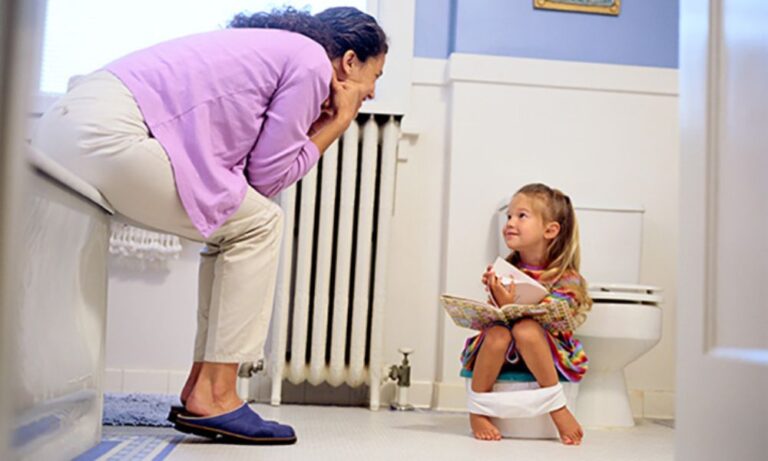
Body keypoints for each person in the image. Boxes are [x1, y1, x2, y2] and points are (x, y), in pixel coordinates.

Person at [31, 6, 387, 444]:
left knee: (236, 226)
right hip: (106, 134)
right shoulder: (311, 61)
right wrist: (339, 121)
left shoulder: (279, 51)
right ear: (350, 62)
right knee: (260, 224)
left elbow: (251, 176)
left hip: (68, 130)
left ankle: (202, 386)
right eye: (377, 75)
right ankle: (216, 393)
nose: (371, 92)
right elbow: (266, 181)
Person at [462, 183, 592, 444]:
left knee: (526, 329)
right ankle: (478, 410)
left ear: (550, 230)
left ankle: (557, 406)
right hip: (505, 350)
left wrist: (519, 306)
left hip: (545, 349)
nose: (510, 222)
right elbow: (497, 319)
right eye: (509, 215)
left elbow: (559, 320)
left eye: (521, 216)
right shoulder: (505, 269)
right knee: (497, 333)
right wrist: (499, 303)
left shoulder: (568, 278)